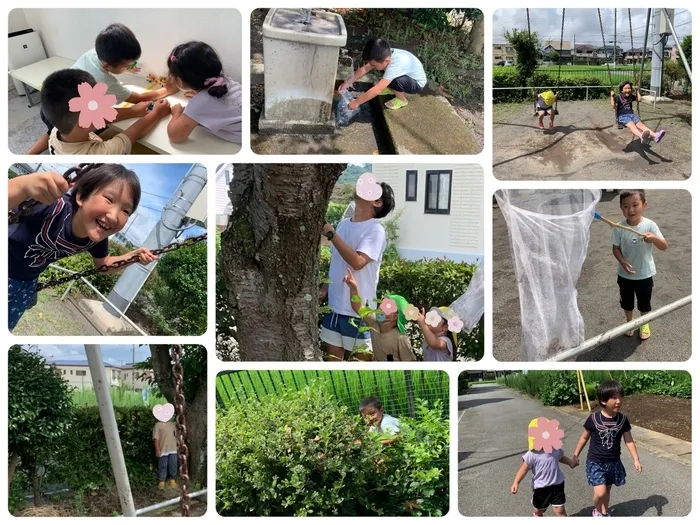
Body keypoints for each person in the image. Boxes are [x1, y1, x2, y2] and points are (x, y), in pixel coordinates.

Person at [8, 165, 157, 330]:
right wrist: (23, 185)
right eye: (109, 199)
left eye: (126, 211)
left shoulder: (96, 238)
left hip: (24, 284)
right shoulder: (52, 206)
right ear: (81, 196)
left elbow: (104, 265)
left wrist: (133, 256)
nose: (114, 216)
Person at [27, 23, 177, 154]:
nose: (129, 67)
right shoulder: (104, 81)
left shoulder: (94, 53)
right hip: (70, 116)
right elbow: (137, 103)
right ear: (107, 65)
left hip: (54, 108)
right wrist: (167, 91)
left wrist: (123, 68)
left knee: (50, 133)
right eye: (126, 65)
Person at [320, 182, 395, 361]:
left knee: (362, 363)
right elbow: (336, 262)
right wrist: (324, 289)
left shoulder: (376, 230)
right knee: (333, 360)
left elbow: (358, 262)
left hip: (359, 312)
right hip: (335, 308)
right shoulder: (344, 224)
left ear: (377, 202)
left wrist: (331, 235)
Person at [41, 69, 171, 155]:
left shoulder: (57, 130)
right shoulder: (101, 154)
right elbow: (134, 133)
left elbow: (94, 118)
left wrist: (133, 111)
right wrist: (157, 113)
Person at [572, 380, 643, 517]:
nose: (618, 401)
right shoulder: (593, 418)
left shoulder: (622, 420)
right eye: (614, 397)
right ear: (603, 401)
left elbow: (628, 440)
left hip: (613, 462)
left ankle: (604, 511)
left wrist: (636, 459)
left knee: (607, 490)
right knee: (600, 492)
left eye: (620, 397)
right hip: (595, 462)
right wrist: (575, 455)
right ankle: (597, 511)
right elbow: (584, 438)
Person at [611, 190, 667, 340]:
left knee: (644, 302)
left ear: (644, 205)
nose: (630, 210)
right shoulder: (619, 227)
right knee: (627, 302)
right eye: (625, 206)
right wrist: (623, 262)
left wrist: (654, 238)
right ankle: (629, 322)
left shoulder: (650, 225)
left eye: (635, 205)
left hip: (645, 274)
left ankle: (644, 323)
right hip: (625, 275)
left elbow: (664, 246)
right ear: (621, 208)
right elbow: (615, 248)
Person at [166, 41, 243, 144]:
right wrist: (199, 97)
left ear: (179, 80)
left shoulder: (198, 104)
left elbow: (175, 136)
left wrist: (177, 113)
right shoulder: (224, 81)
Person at [344, 268, 416, 361]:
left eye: (387, 306)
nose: (380, 307)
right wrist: (354, 288)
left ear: (394, 317)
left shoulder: (401, 339)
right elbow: (359, 307)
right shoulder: (374, 323)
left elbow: (410, 364)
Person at [339, 37, 427, 111]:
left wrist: (357, 102)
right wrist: (347, 83)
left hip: (416, 84)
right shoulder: (385, 55)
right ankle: (393, 88)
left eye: (373, 64)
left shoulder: (394, 65)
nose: (371, 66)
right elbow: (365, 68)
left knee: (393, 80)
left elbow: (377, 89)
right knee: (383, 71)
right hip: (407, 76)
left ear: (387, 60)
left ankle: (402, 100)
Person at [511, 421, 578, 517]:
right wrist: (516, 482)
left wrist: (570, 462)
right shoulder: (532, 454)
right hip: (541, 488)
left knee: (560, 510)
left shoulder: (555, 449)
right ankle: (537, 514)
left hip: (557, 485)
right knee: (540, 509)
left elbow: (561, 457)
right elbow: (524, 469)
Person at [153, 417, 179, 488]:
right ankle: (162, 481)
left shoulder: (172, 424)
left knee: (173, 465)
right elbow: (156, 438)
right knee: (162, 465)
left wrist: (177, 441)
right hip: (163, 449)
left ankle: (172, 480)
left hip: (173, 448)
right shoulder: (157, 425)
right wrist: (157, 450)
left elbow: (175, 435)